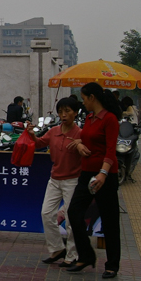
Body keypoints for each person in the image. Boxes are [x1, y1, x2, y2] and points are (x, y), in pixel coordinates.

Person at [66, 82, 121, 279]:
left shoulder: (110, 119)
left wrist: (103, 174)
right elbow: (86, 138)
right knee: (73, 212)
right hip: (86, 173)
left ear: (92, 98)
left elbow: (110, 149)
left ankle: (112, 264)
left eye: (83, 98)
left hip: (105, 176)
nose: (82, 102)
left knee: (109, 219)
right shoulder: (89, 118)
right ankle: (86, 256)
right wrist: (80, 145)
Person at [27, 97, 82, 268]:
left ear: (75, 113)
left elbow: (90, 152)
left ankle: (72, 255)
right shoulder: (54, 131)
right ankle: (57, 248)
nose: (63, 115)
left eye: (68, 111)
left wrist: (81, 144)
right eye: (60, 111)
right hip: (55, 179)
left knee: (71, 219)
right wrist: (32, 135)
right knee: (46, 214)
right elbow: (39, 144)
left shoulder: (80, 134)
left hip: (73, 181)